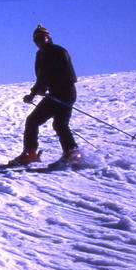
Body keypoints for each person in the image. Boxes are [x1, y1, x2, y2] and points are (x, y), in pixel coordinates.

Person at [14, 24, 79, 165]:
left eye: (41, 38)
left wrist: (46, 87)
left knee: (60, 124)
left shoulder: (58, 51)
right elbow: (41, 77)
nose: (38, 42)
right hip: (54, 93)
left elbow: (64, 74)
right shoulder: (40, 55)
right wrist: (33, 93)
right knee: (32, 121)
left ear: (48, 37)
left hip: (65, 92)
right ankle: (30, 153)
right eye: (35, 40)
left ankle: (72, 152)